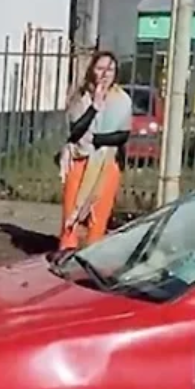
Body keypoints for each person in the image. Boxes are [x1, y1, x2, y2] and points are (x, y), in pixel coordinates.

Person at [58, 51, 132, 250]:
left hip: (107, 162)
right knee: (71, 213)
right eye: (100, 68)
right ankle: (66, 252)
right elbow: (75, 132)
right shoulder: (81, 97)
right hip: (79, 159)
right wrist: (95, 107)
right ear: (92, 70)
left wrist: (98, 140)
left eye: (110, 70)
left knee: (99, 217)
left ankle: (92, 255)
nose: (105, 74)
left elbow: (123, 135)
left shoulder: (122, 100)